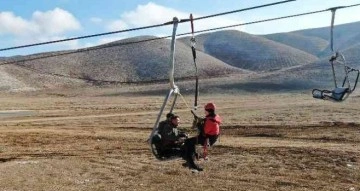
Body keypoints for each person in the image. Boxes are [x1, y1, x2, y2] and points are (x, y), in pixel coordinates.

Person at [184, 102, 222, 171]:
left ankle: (191, 163)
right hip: (211, 138)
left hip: (207, 139)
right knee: (191, 142)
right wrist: (201, 120)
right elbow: (207, 120)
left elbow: (204, 132)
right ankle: (193, 158)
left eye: (205, 110)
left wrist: (199, 125)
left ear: (208, 111)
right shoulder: (215, 117)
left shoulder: (210, 121)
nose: (204, 112)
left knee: (188, 142)